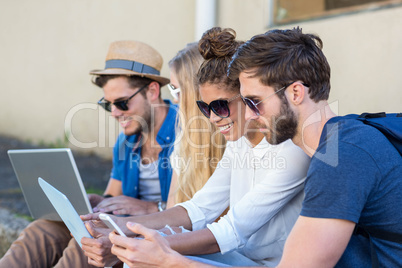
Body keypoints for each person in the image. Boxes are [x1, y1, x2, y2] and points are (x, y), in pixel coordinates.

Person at [109, 27, 402, 267]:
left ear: (296, 93)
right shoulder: (342, 140)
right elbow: (201, 208)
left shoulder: (339, 157)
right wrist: (126, 232)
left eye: (253, 102)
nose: (247, 115)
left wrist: (168, 259)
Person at [81, 27, 310, 267]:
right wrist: (119, 227)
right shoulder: (239, 143)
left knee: (145, 257)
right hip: (241, 256)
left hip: (271, 263)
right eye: (205, 107)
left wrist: (134, 240)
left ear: (246, 96)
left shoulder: (291, 151)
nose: (212, 118)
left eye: (220, 106)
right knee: (139, 259)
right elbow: (198, 208)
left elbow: (230, 231)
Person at [0, 40, 178, 268]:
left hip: (161, 230)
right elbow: (113, 195)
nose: (114, 113)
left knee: (88, 243)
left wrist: (154, 207)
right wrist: (96, 204)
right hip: (124, 224)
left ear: (152, 91)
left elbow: (202, 208)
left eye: (122, 103)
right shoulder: (126, 140)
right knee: (43, 228)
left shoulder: (185, 133)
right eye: (108, 105)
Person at [166, 42, 226, 207]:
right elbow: (173, 206)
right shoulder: (185, 140)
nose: (174, 99)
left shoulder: (237, 141)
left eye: (176, 90)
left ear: (195, 92)